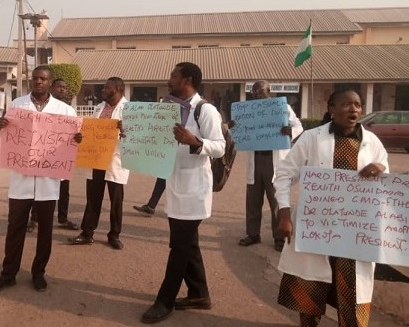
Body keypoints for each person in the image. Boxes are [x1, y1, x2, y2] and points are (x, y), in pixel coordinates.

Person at [274, 89, 388, 327]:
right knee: (309, 291)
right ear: (331, 109)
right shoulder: (311, 138)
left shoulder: (372, 143)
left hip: (352, 234)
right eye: (346, 104)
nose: (354, 109)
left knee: (351, 296)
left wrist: (379, 168)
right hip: (316, 229)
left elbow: (386, 181)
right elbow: (284, 174)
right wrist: (284, 214)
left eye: (357, 105)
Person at [141, 62, 225, 324]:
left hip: (194, 189)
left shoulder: (205, 110)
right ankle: (199, 294)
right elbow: (155, 138)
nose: (169, 80)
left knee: (178, 246)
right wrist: (131, 133)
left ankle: (164, 301)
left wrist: (195, 142)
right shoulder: (171, 108)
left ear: (186, 80)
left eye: (173, 76)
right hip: (176, 185)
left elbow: (220, 147)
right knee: (188, 244)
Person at [0, 66, 82, 294]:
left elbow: (72, 143)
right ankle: (8, 274)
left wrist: (77, 139)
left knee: (45, 231)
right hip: (21, 182)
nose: (38, 82)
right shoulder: (17, 105)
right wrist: (0, 125)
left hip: (48, 182)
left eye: (43, 78)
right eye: (35, 78)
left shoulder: (65, 111)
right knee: (15, 229)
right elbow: (7, 132)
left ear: (50, 82)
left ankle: (38, 273)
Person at [236, 80, 303, 252]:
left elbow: (298, 126)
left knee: (276, 200)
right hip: (255, 160)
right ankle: (253, 234)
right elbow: (239, 132)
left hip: (274, 162)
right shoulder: (248, 112)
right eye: (254, 92)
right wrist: (234, 128)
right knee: (253, 199)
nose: (257, 94)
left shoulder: (282, 108)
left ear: (269, 90)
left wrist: (290, 131)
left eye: (260, 90)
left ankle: (279, 237)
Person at [68, 77, 129, 250]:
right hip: (96, 159)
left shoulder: (129, 110)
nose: (102, 90)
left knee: (116, 200)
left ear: (118, 89)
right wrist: (81, 137)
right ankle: (87, 233)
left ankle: (114, 235)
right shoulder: (98, 108)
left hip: (115, 160)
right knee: (93, 198)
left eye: (106, 88)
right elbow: (90, 132)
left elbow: (136, 138)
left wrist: (126, 132)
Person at [27, 78, 79, 232]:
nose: (62, 89)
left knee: (64, 190)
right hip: (42, 157)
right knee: (38, 189)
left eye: (64, 87)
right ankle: (34, 218)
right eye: (59, 87)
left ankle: (63, 218)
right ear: (51, 87)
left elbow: (76, 131)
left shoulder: (67, 108)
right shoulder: (41, 107)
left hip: (61, 157)